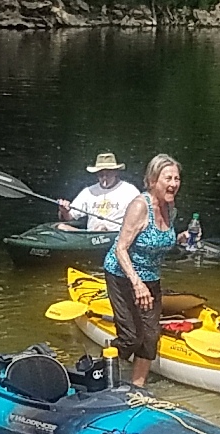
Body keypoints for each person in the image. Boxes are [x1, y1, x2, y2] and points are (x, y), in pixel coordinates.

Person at [105, 154, 184, 388]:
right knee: (131, 337)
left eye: (177, 178)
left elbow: (160, 241)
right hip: (122, 274)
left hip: (151, 278)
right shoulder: (140, 206)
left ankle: (136, 390)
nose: (173, 184)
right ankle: (98, 368)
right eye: (167, 178)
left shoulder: (171, 208)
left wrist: (181, 239)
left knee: (150, 337)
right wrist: (137, 284)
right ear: (152, 180)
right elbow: (121, 248)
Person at [59, 154, 141, 232]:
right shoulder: (88, 192)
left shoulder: (130, 191)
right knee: (61, 227)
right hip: (92, 236)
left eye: (108, 174)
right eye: (101, 174)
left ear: (116, 172)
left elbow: (140, 219)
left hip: (117, 236)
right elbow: (69, 217)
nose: (104, 178)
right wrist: (64, 211)